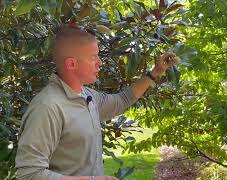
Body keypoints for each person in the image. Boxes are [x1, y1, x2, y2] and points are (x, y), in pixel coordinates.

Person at [15, 27, 177, 180]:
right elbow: (29, 174)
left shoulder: (88, 96)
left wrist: (155, 72)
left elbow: (123, 99)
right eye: (93, 57)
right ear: (71, 64)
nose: (100, 62)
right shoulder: (48, 107)